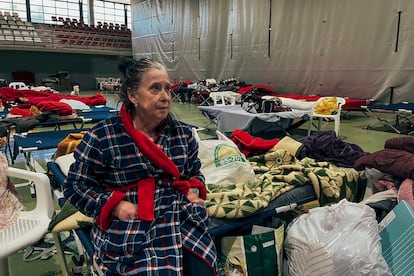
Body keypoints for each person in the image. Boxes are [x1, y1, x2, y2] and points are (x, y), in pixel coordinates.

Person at [63, 57, 218, 275]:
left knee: (205, 269)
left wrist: (194, 189)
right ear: (133, 95)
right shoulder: (103, 136)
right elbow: (76, 186)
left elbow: (193, 171)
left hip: (178, 215)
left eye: (167, 88)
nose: (165, 97)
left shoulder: (182, 134)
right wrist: (116, 206)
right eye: (155, 89)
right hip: (130, 223)